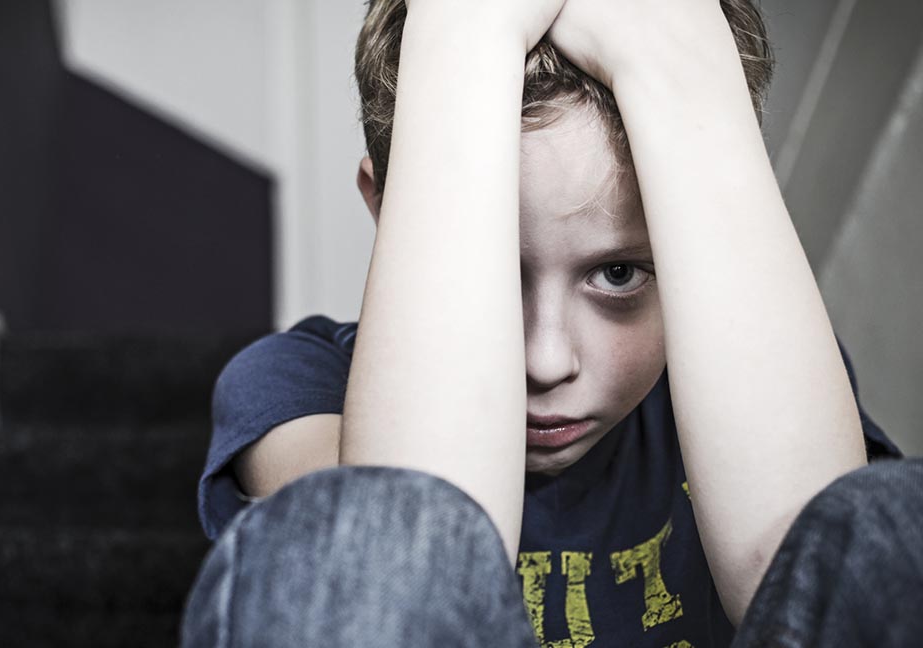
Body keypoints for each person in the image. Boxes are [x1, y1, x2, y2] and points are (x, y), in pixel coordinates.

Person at [187, 0, 911, 645]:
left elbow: (811, 589)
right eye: (495, 270)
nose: (545, 359)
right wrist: (462, 31)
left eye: (620, 273)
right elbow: (397, 557)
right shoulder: (293, 387)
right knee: (361, 538)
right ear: (389, 210)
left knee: (885, 516)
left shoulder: (756, 389)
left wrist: (676, 62)